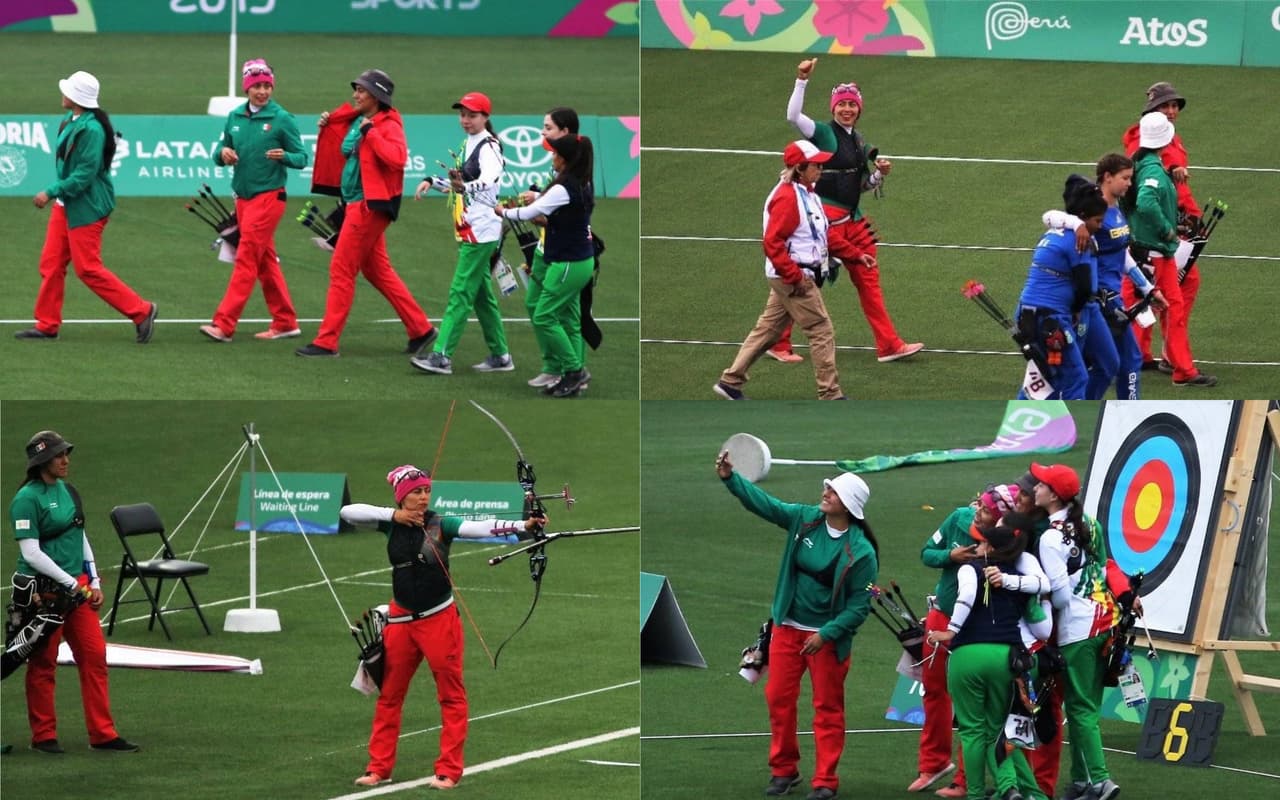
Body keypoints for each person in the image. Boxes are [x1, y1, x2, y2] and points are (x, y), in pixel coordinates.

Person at [340, 464, 545, 789]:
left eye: (426, 491)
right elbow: (348, 511)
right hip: (401, 621)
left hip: (439, 621)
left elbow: (479, 528)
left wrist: (523, 525)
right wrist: (394, 517)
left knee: (450, 695)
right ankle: (379, 767)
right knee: (389, 696)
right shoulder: (389, 524)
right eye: (415, 492)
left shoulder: (439, 524)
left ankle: (449, 770)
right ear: (401, 496)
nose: (423, 497)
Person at [716, 450, 878, 800]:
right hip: (787, 629)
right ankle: (784, 771)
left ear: (847, 505)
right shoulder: (805, 520)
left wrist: (827, 634)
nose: (825, 493)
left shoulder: (861, 552)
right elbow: (767, 506)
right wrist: (732, 479)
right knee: (777, 698)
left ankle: (825, 782)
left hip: (827, 639)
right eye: (828, 489)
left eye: (832, 492)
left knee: (828, 709)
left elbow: (859, 606)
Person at [781, 57, 923, 364]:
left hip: (853, 223)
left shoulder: (857, 139)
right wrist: (801, 79)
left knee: (868, 277)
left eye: (852, 104)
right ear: (833, 108)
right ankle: (778, 342)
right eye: (842, 104)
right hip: (827, 225)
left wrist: (879, 176)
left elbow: (860, 187)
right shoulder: (823, 133)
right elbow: (793, 115)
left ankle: (889, 345)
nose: (847, 109)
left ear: (859, 108)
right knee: (808, 280)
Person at [9, 430, 139, 754]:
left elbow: (79, 534)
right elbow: (31, 553)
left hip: (76, 588)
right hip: (44, 593)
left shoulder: (70, 492)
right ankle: (43, 736)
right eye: (58, 455)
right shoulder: (26, 499)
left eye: (66, 454)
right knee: (42, 663)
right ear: (42, 461)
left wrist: (93, 580)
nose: (66, 460)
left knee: (94, 656)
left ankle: (103, 734)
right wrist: (72, 583)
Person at [297, 69, 436, 358]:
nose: (355, 95)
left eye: (361, 90)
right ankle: (420, 329)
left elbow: (397, 159)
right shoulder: (360, 120)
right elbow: (346, 148)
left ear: (376, 96)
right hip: (356, 204)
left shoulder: (388, 125)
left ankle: (326, 342)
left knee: (341, 269)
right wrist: (330, 124)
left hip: (369, 206)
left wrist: (371, 133)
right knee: (377, 271)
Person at [15, 71, 157, 344]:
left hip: (87, 207)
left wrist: (51, 191)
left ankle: (142, 311)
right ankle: (47, 324)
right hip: (68, 202)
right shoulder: (72, 120)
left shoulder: (91, 129)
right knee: (51, 263)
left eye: (67, 90)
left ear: (76, 97)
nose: (62, 93)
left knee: (88, 269)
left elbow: (85, 174)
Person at [927, 512, 1051, 800]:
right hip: (1006, 658)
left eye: (982, 543)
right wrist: (1009, 581)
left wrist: (950, 630)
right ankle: (1011, 789)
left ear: (991, 549)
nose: (977, 547)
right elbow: (1043, 591)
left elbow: (967, 595)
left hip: (968, 656)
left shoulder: (971, 569)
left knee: (972, 731)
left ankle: (976, 794)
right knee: (998, 731)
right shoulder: (1020, 577)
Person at [714, 140, 846, 401]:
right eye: (816, 165)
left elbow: (823, 234)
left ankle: (731, 381)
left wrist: (854, 255)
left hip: (788, 275)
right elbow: (772, 242)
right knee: (821, 329)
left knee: (768, 329)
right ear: (800, 168)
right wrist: (795, 277)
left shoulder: (807, 193)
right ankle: (830, 394)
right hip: (793, 277)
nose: (821, 168)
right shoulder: (787, 198)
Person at [914, 483, 1018, 799]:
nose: (977, 511)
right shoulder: (959, 518)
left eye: (985, 509)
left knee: (974, 709)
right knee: (933, 689)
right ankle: (934, 763)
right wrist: (950, 555)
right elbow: (926, 553)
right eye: (979, 506)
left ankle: (963, 781)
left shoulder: (1009, 542)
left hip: (976, 631)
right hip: (942, 615)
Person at [1030, 464, 1121, 800]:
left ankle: (1101, 781)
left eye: (1041, 484)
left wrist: (1035, 595)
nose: (1035, 487)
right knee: (1087, 708)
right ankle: (1081, 781)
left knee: (1080, 710)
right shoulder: (1090, 523)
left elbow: (1062, 596)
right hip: (1107, 620)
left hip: (1079, 629)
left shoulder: (1051, 538)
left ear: (1053, 495)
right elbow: (1103, 567)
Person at [200, 59, 306, 343]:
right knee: (265, 261)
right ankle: (285, 322)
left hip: (270, 197)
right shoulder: (235, 116)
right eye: (257, 86)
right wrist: (223, 153)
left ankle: (224, 324)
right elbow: (219, 152)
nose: (262, 91)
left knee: (247, 257)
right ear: (247, 88)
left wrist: (285, 156)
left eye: (267, 85)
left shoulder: (282, 118)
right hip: (243, 199)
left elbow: (302, 157)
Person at [1042, 162, 1166, 399]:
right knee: (1120, 361)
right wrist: (1076, 224)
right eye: (1125, 178)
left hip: (1111, 298)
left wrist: (1148, 289)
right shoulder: (1091, 212)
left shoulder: (1116, 210)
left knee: (1108, 364)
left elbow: (1122, 256)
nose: (1130, 184)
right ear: (1107, 177)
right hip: (1096, 300)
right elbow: (1049, 217)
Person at [411, 92, 512, 376]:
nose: (466, 120)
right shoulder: (471, 142)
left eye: (472, 115)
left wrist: (463, 189)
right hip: (471, 228)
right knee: (481, 296)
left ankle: (441, 355)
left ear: (486, 117)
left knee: (460, 292)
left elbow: (488, 179)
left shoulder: (489, 147)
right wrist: (433, 180)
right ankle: (501, 355)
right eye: (463, 115)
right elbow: (462, 180)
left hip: (481, 231)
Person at [494, 133, 597, 398]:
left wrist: (503, 212)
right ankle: (566, 372)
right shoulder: (579, 182)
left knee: (544, 315)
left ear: (565, 159)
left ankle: (574, 370)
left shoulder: (564, 188)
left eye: (554, 154)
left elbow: (530, 213)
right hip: (574, 261)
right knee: (556, 315)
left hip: (568, 264)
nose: (551, 157)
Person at [1120, 112, 1215, 387]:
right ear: (1166, 139)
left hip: (1142, 252)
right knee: (1173, 307)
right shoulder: (1152, 170)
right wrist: (1166, 229)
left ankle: (1135, 360)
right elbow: (1147, 203)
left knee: (1136, 308)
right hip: (1155, 254)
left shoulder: (1139, 165)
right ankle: (1182, 370)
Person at [516, 107, 601, 391]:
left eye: (549, 127)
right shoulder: (556, 160)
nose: (543, 133)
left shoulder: (574, 167)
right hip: (546, 247)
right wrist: (536, 198)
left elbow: (562, 209)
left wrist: (525, 209)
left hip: (564, 251)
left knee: (564, 314)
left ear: (566, 133)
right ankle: (554, 366)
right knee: (535, 305)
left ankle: (572, 371)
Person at [1014, 181, 1108, 400]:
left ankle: (1019, 427)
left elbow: (1049, 215)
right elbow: (1085, 288)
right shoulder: (1080, 241)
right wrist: (1076, 310)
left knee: (1043, 376)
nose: (1100, 226)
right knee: (1077, 378)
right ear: (1083, 217)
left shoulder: (1052, 233)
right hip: (1051, 320)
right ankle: (1066, 431)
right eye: (1097, 221)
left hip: (1026, 314)